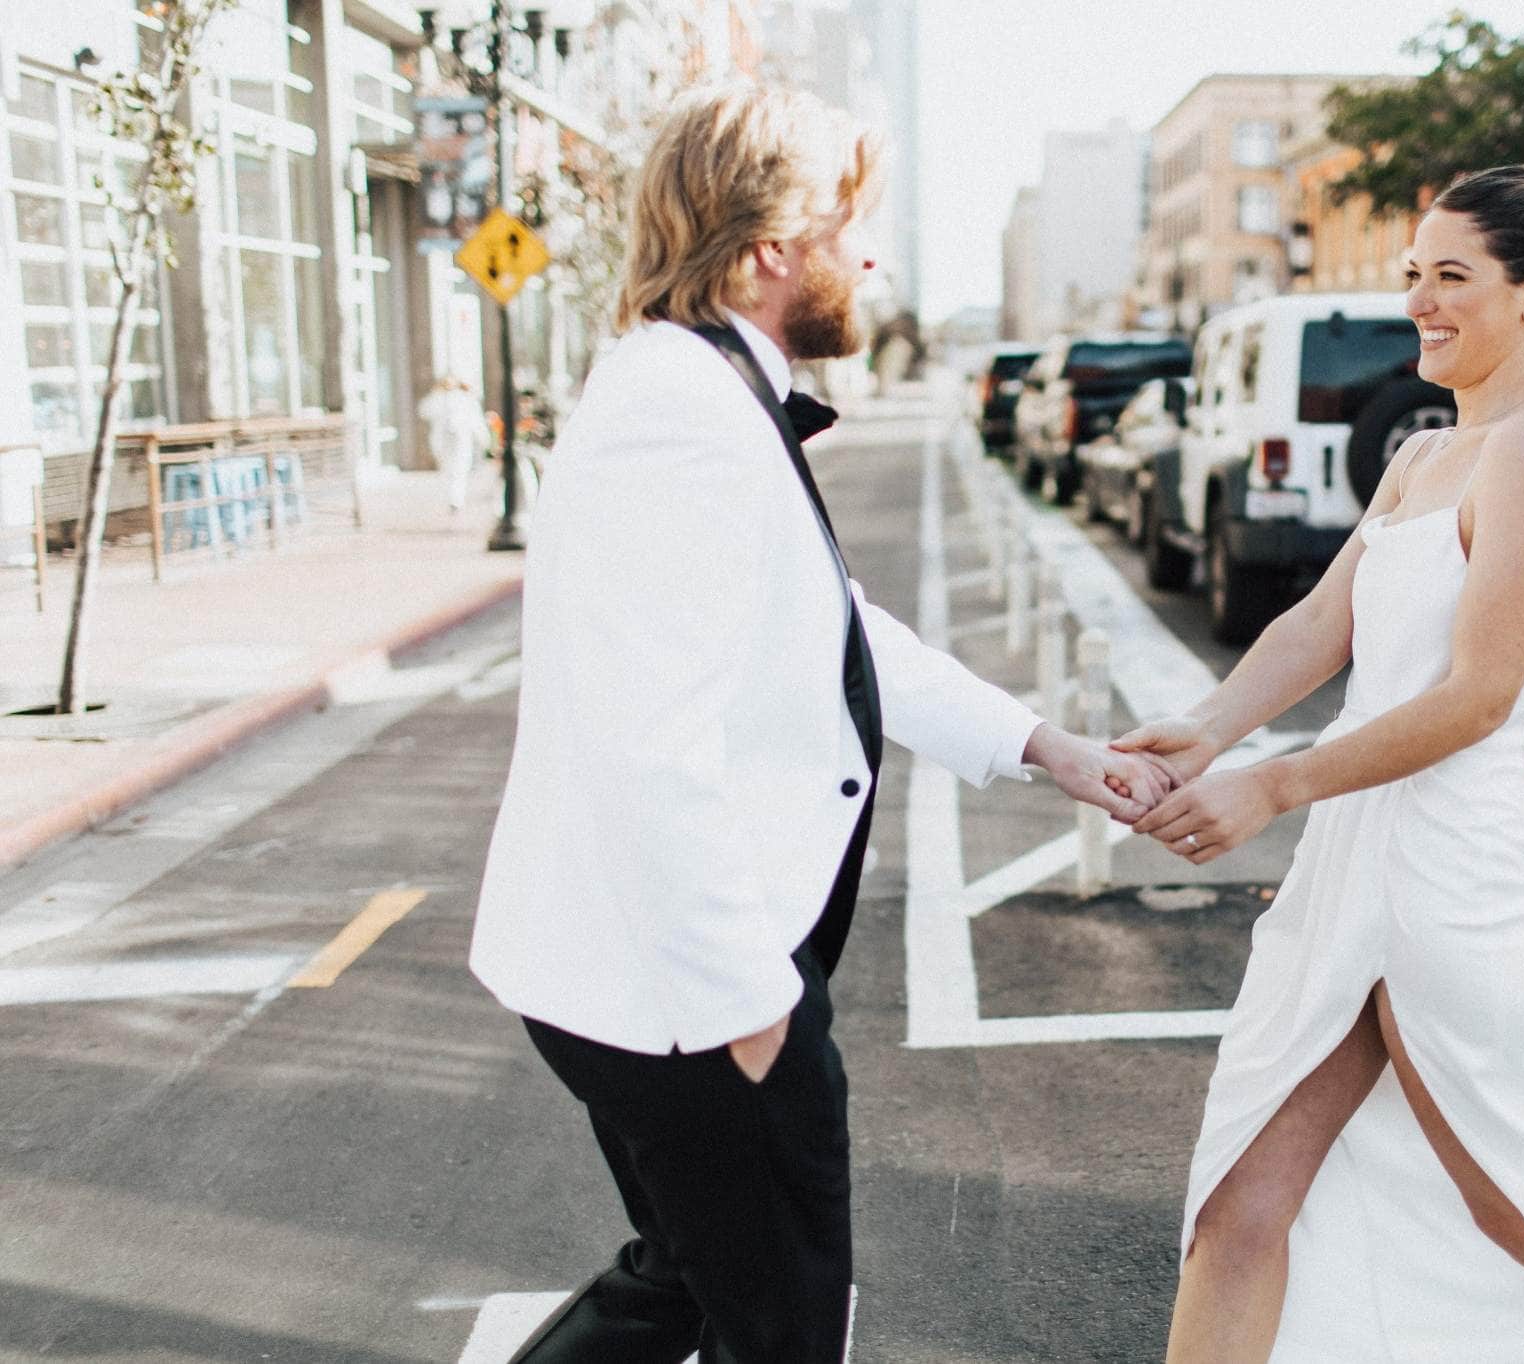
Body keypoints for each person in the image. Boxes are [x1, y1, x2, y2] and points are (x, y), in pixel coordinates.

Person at [468, 84, 1170, 1364]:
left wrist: (1044, 747)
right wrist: (754, 1004)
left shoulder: (695, 389)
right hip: (690, 982)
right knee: (783, 1329)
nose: (874, 258)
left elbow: (833, 629)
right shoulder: (682, 415)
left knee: (680, 1280)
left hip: (649, 968)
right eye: (853, 227)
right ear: (767, 249)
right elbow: (644, 738)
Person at [1115, 164, 1524, 1363]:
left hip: (1450, 875)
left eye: (1452, 276)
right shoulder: (1424, 456)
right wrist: (1209, 727)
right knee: (1240, 1204)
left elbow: (1479, 696)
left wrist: (1272, 783)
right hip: (1352, 864)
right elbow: (1319, 624)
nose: (1420, 303)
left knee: (1518, 1208)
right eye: (1414, 274)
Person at [416, 374, 491, 513]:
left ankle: (455, 499)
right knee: (449, 470)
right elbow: (424, 412)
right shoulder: (438, 399)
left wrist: (485, 440)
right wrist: (435, 392)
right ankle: (453, 498)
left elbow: (476, 421)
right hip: (443, 441)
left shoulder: (466, 399)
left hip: (461, 439)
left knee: (459, 469)